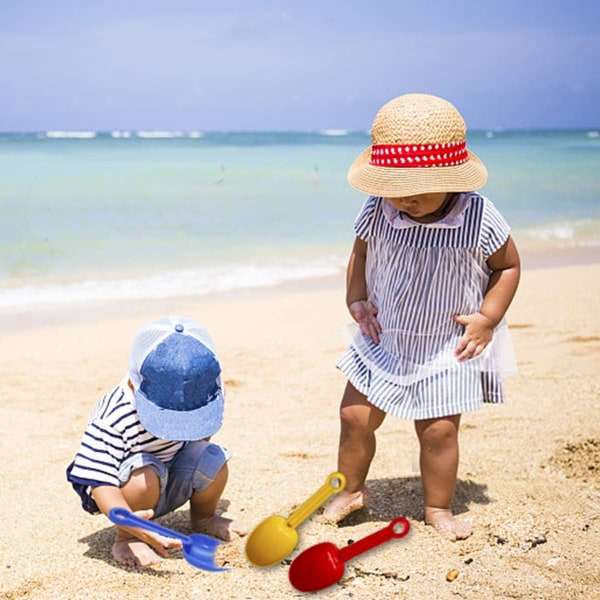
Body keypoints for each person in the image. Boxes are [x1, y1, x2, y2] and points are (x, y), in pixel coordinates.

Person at [322, 93, 520, 541]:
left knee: (437, 430)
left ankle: (437, 506)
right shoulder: (380, 207)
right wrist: (356, 297)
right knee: (354, 416)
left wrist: (487, 318)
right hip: (386, 335)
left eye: (414, 194)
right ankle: (351, 489)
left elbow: (507, 267)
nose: (402, 202)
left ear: (450, 180)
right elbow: (360, 249)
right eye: (393, 191)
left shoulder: (478, 217)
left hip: (445, 344)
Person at [66, 315, 247, 567]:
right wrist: (125, 520)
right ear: (133, 382)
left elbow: (201, 438)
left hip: (172, 473)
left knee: (213, 457)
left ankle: (203, 518)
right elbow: (100, 482)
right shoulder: (115, 415)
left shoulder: (208, 392)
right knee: (143, 477)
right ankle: (126, 537)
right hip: (126, 493)